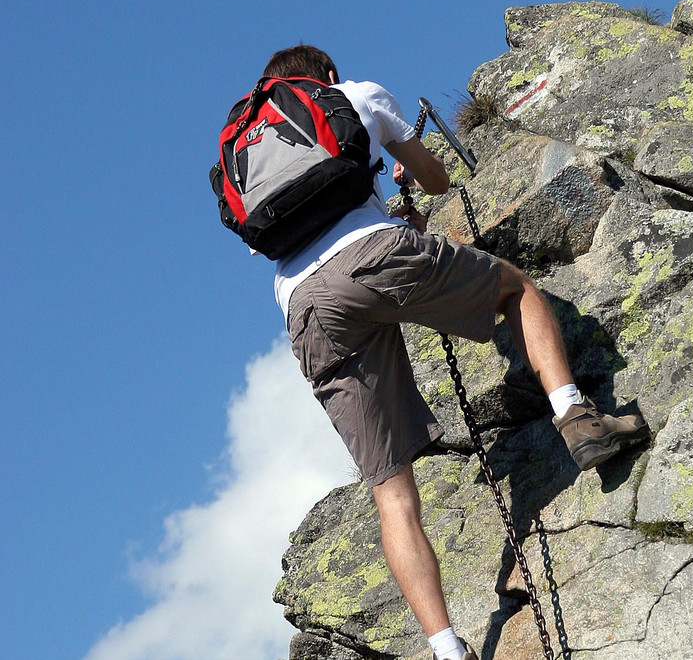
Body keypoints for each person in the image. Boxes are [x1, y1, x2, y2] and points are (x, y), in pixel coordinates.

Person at [253, 45, 650, 660]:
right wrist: (405, 182)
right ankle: (576, 416)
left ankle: (446, 649)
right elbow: (437, 179)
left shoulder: (255, 154)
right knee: (517, 288)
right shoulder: (353, 95)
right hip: (373, 255)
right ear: (323, 78)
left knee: (391, 488)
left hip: (303, 306)